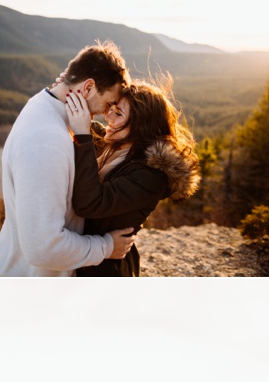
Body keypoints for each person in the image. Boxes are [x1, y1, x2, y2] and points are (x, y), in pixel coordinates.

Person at [0, 41, 137, 277]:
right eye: (109, 103)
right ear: (88, 88)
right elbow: (43, 249)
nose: (106, 113)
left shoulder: (42, 105)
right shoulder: (45, 141)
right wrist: (106, 247)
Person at [65, 77, 201, 276]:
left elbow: (89, 203)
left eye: (118, 113)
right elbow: (84, 120)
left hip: (107, 271)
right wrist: (70, 84)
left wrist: (82, 137)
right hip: (84, 258)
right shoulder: (114, 145)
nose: (109, 117)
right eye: (111, 108)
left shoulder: (151, 176)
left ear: (140, 126)